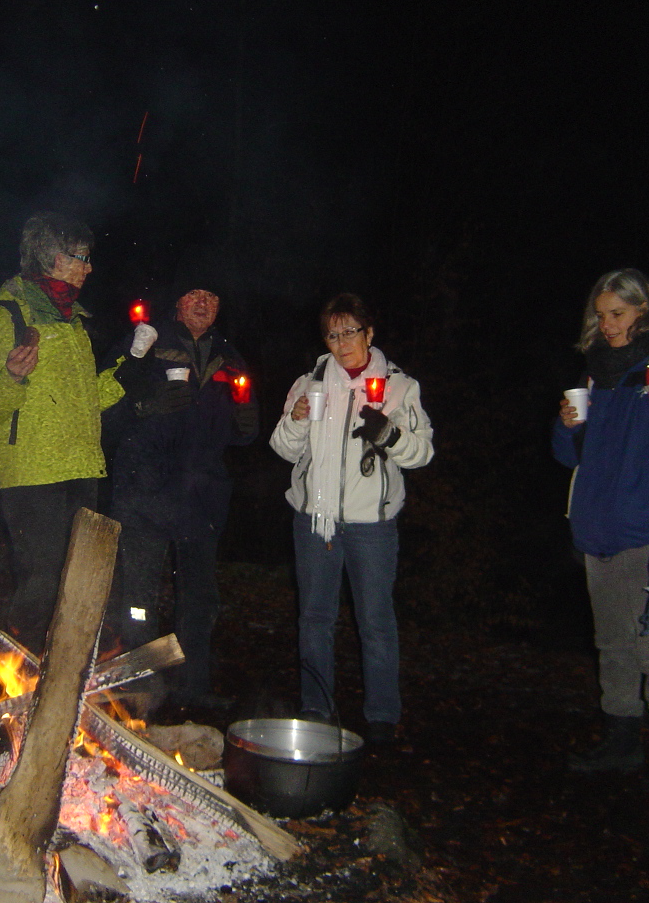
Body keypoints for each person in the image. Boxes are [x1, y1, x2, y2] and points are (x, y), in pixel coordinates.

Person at [551, 269, 649, 795]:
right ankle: (621, 739)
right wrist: (568, 426)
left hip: (646, 529)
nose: (607, 324)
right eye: (601, 315)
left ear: (644, 310)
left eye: (618, 314)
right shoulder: (596, 373)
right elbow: (569, 456)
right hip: (597, 527)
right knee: (611, 641)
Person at [269, 293, 434, 745]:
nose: (342, 343)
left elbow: (423, 453)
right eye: (332, 335)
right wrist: (297, 419)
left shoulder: (400, 387)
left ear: (369, 333)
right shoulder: (309, 383)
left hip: (371, 525)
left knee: (375, 621)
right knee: (314, 618)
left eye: (350, 332)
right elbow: (283, 448)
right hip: (314, 520)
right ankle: (316, 707)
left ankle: (381, 715)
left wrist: (389, 434)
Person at [0, 212, 126, 653]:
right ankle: (26, 674)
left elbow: (87, 399)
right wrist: (12, 377)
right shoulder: (9, 318)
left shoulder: (74, 323)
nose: (89, 268)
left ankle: (72, 677)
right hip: (33, 473)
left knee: (82, 583)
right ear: (55, 259)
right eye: (82, 258)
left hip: (81, 468)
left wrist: (128, 369)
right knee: (42, 587)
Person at [104, 282, 258, 708]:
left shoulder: (229, 357)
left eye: (212, 296)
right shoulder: (147, 342)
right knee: (139, 596)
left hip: (202, 494)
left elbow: (244, 434)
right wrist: (145, 405)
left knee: (199, 598)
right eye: (194, 295)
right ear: (178, 302)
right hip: (145, 488)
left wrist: (245, 421)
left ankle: (192, 689)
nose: (203, 302)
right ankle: (138, 687)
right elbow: (104, 408)